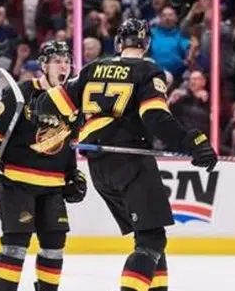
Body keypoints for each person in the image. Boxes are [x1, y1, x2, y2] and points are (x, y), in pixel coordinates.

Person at [32, 18, 218, 291]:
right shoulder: (148, 71)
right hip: (130, 162)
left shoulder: (92, 68)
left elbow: (45, 105)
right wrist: (193, 142)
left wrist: (67, 126)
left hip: (99, 167)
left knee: (149, 236)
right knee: (151, 240)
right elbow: (155, 118)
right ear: (147, 44)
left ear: (119, 43)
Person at [0, 40, 86, 291]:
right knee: (15, 244)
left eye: (67, 61)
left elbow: (68, 144)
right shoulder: (21, 92)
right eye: (57, 61)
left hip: (53, 185)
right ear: (44, 66)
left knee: (55, 245)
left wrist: (73, 175)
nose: (64, 66)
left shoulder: (72, 101)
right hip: (17, 182)